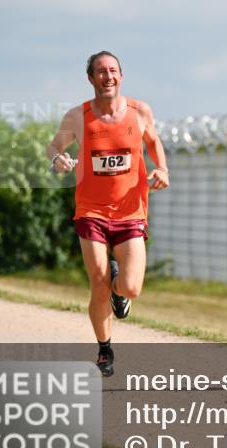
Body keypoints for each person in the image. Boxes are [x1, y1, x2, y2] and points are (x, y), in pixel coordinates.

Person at [46, 51, 169, 376]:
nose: (108, 76)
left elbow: (154, 144)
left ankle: (119, 288)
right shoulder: (79, 116)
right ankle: (105, 349)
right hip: (91, 211)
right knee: (98, 282)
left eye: (113, 70)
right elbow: (53, 146)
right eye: (101, 72)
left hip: (130, 212)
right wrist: (57, 159)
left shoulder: (140, 111)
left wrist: (163, 170)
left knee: (130, 287)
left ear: (121, 76)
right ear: (91, 79)